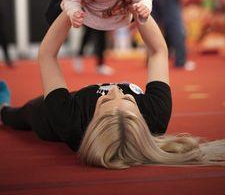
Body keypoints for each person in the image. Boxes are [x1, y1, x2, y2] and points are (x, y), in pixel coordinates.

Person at [1, 12, 225, 168]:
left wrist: (71, 9)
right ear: (140, 116)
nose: (116, 91)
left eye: (106, 101)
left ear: (92, 121)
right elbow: (158, 51)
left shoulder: (68, 121)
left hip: (51, 115)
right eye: (128, 99)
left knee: (19, 115)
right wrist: (138, 9)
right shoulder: (155, 115)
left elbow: (47, 55)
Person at [45, 0, 114, 75]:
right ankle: (80, 56)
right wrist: (80, 2)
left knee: (101, 35)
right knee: (88, 35)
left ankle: (100, 64)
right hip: (85, 6)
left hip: (98, 7)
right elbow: (50, 15)